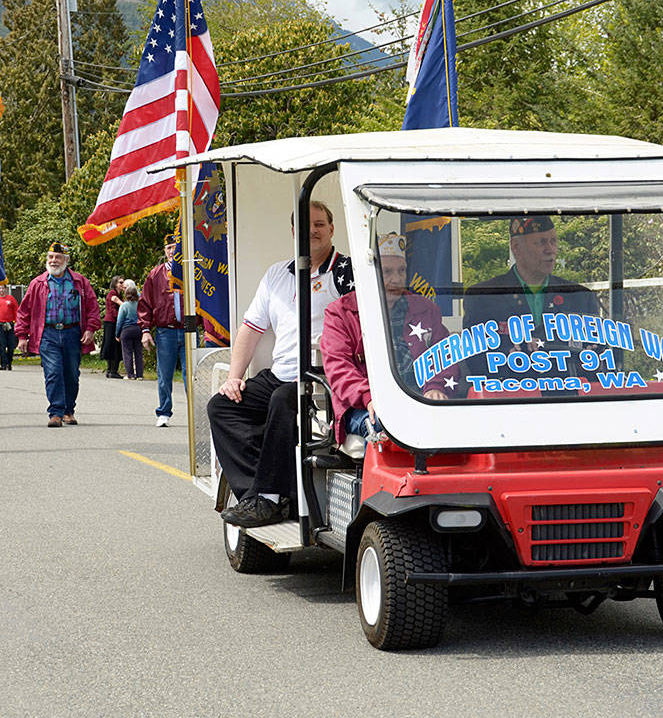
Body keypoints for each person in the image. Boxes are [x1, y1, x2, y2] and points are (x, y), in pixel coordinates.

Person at [210, 200, 354, 528]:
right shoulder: (276, 274)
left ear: (332, 230)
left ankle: (270, 496)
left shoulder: (346, 273)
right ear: (294, 233)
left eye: (319, 224)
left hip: (324, 377)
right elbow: (250, 330)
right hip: (281, 374)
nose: (312, 231)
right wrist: (234, 377)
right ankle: (258, 494)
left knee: (283, 401)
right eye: (305, 226)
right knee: (222, 407)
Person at [320, 234, 452, 451]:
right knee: (390, 427)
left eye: (401, 271)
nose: (396, 279)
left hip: (419, 400)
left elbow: (444, 354)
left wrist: (435, 387)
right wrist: (370, 397)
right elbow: (338, 369)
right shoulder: (340, 313)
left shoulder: (427, 309)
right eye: (388, 272)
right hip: (362, 407)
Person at [463, 215, 600, 383]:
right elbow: (476, 360)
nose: (550, 250)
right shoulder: (484, 296)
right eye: (541, 242)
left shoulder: (580, 296)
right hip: (508, 398)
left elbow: (598, 358)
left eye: (553, 241)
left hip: (568, 399)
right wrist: (513, 356)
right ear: (516, 247)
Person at [15, 242, 101, 427]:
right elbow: (24, 311)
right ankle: (55, 412)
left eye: (58, 257)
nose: (53, 261)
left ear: (66, 260)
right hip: (47, 333)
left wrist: (90, 328)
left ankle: (69, 411)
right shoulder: (38, 283)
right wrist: (22, 335)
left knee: (71, 373)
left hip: (73, 333)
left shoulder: (80, 282)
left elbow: (92, 307)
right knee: (53, 372)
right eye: (50, 257)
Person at [138, 236, 186, 427]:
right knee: (164, 375)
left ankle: (195, 413)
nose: (172, 250)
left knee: (191, 376)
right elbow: (145, 304)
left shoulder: (192, 271)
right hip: (166, 331)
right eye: (168, 247)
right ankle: (164, 412)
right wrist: (145, 329)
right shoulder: (155, 274)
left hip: (189, 330)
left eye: (175, 247)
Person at [98, 275, 125, 378]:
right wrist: (123, 316)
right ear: (115, 284)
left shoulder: (119, 295)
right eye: (120, 283)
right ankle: (112, 370)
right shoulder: (112, 294)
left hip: (114, 322)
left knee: (114, 345)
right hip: (112, 322)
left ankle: (112, 369)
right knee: (113, 345)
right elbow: (113, 311)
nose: (122, 285)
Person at [116, 280, 142, 380]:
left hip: (126, 330)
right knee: (138, 352)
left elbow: (119, 321)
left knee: (127, 353)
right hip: (138, 329)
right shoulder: (140, 304)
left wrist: (117, 334)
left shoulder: (124, 306)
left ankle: (130, 374)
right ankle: (139, 374)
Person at [0, 283, 19, 370]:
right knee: (2, 345)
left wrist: (17, 322)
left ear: (5, 289)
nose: (1, 290)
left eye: (3, 288)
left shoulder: (11, 299)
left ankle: (9, 362)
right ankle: (3, 364)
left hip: (9, 324)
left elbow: (16, 311)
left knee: (11, 344)